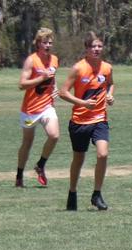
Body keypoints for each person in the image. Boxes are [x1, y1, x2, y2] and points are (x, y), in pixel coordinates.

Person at [59, 31, 115, 210]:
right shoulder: (78, 68)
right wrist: (82, 103)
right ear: (87, 49)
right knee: (78, 159)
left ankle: (97, 194)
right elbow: (63, 92)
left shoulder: (107, 67)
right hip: (79, 121)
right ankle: (72, 192)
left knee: (103, 154)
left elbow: (110, 83)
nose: (97, 49)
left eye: (99, 46)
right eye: (93, 46)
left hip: (100, 119)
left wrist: (110, 95)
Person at [16, 27, 60, 187]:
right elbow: (22, 85)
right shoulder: (31, 60)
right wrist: (41, 78)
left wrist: (54, 88)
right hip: (29, 111)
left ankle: (40, 165)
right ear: (38, 44)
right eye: (45, 42)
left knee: (54, 135)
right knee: (27, 143)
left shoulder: (54, 59)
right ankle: (19, 175)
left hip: (47, 106)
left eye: (50, 42)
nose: (48, 45)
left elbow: (52, 79)